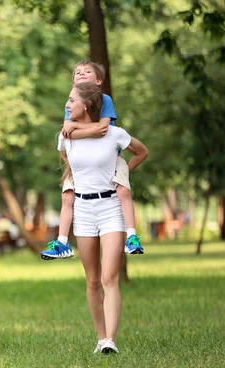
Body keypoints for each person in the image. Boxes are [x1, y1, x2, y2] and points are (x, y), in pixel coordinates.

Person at [61, 82, 148, 353]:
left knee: (110, 278)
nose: (67, 105)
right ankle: (100, 338)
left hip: (110, 207)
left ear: (85, 105)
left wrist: (122, 174)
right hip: (83, 211)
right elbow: (69, 166)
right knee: (93, 280)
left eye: (71, 100)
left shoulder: (114, 134)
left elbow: (142, 152)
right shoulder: (65, 136)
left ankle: (110, 339)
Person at [41, 60, 144, 260]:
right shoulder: (70, 103)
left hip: (112, 156)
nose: (81, 74)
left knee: (122, 189)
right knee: (67, 195)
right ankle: (62, 242)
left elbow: (102, 128)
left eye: (87, 72)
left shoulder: (105, 100)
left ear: (98, 81)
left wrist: (125, 172)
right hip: (80, 164)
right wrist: (80, 137)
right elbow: (66, 131)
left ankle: (132, 235)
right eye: (77, 72)